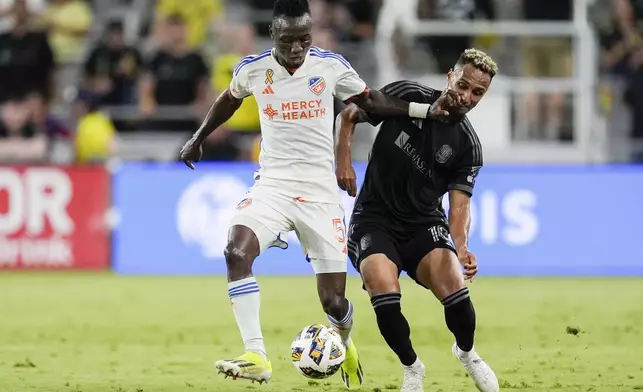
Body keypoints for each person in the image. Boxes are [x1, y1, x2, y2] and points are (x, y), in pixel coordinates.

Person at [178, 0, 444, 388]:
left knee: (334, 302)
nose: (297, 48)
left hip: (320, 194)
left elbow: (370, 100)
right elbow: (229, 100)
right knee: (236, 253)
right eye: (288, 40)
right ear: (273, 35)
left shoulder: (330, 66)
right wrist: (198, 138)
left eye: (304, 38)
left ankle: (344, 342)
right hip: (272, 185)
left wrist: (423, 112)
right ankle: (256, 355)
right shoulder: (253, 69)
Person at [335, 48, 500, 392]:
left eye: (477, 93)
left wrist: (463, 247)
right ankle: (412, 367)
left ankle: (466, 353)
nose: (467, 96)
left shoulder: (467, 146)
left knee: (457, 290)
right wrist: (344, 160)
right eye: (464, 85)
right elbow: (349, 114)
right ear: (449, 76)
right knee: (383, 287)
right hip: (374, 219)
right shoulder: (408, 96)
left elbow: (458, 207)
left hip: (424, 224)